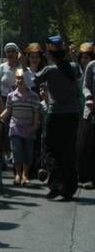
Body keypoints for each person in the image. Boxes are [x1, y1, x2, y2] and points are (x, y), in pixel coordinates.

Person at [34, 35, 80, 200]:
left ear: (49, 53)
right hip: (73, 113)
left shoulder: (50, 70)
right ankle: (70, 187)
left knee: (52, 150)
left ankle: (56, 184)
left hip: (56, 114)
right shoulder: (74, 67)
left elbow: (34, 80)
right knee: (69, 150)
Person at [1, 69, 42, 186]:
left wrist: (35, 126)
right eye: (18, 78)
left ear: (27, 80)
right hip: (15, 129)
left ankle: (25, 174)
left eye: (22, 78)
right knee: (17, 152)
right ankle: (18, 174)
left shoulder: (34, 96)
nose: (19, 80)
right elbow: (8, 111)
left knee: (28, 153)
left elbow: (36, 113)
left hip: (29, 129)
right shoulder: (11, 96)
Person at [80, 46, 95, 190]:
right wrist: (89, 97)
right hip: (91, 110)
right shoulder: (91, 66)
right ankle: (89, 177)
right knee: (89, 145)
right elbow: (85, 86)